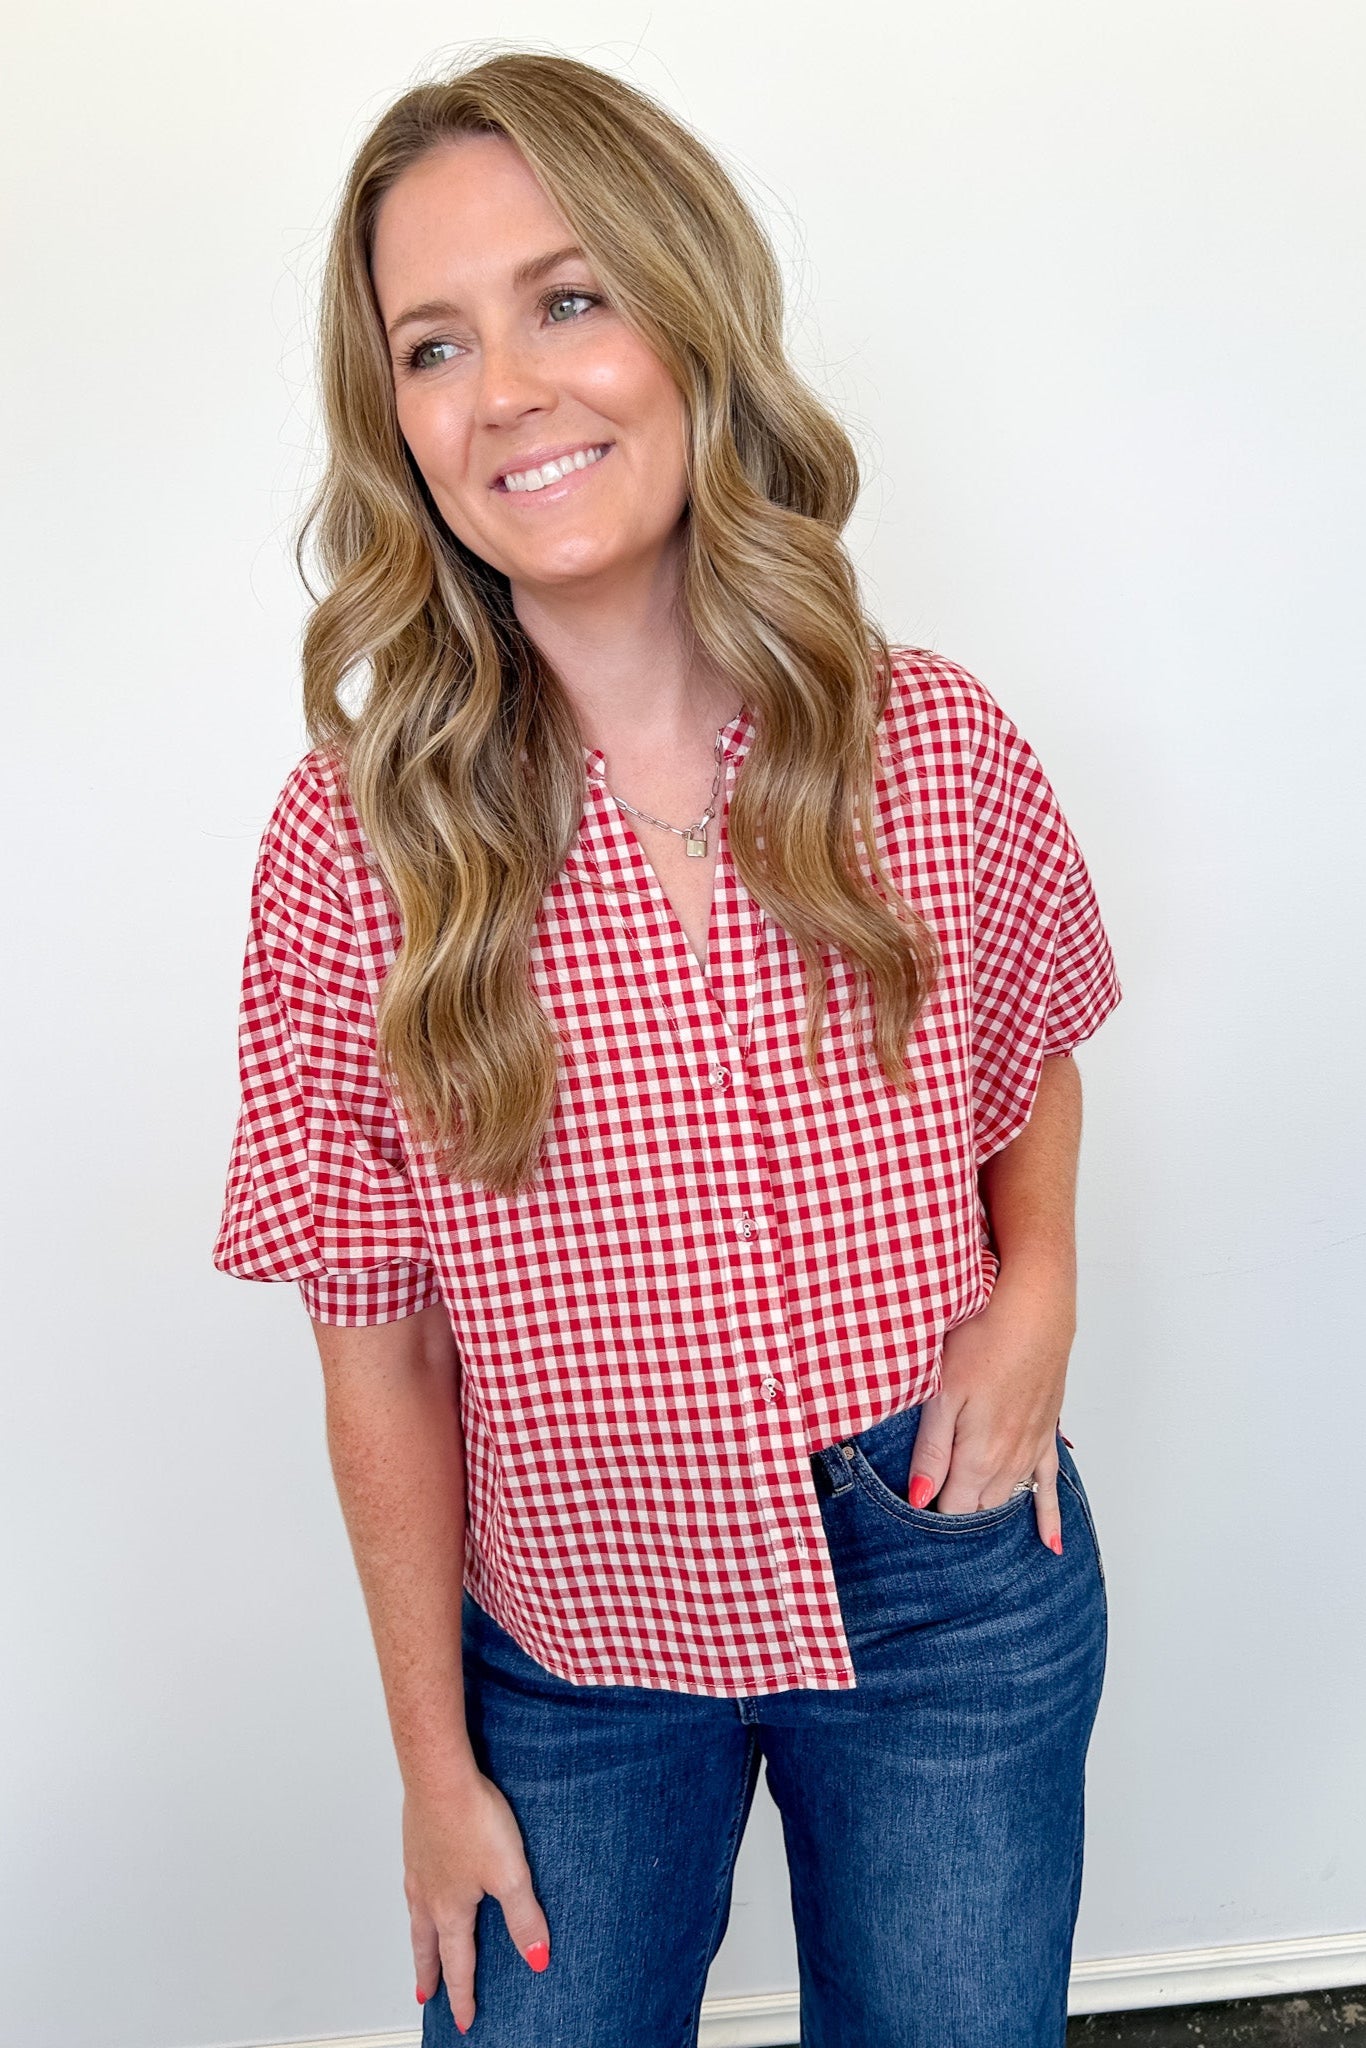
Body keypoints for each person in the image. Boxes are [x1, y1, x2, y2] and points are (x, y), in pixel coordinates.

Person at [213, 48, 1122, 2048]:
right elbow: (369, 1335)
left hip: (942, 1576)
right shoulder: (357, 845)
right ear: (396, 423)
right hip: (567, 1634)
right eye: (431, 344)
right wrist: (433, 1772)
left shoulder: (926, 741)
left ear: (687, 319)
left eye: (567, 298)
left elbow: (1029, 1037)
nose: (507, 388)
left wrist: (1035, 1287)